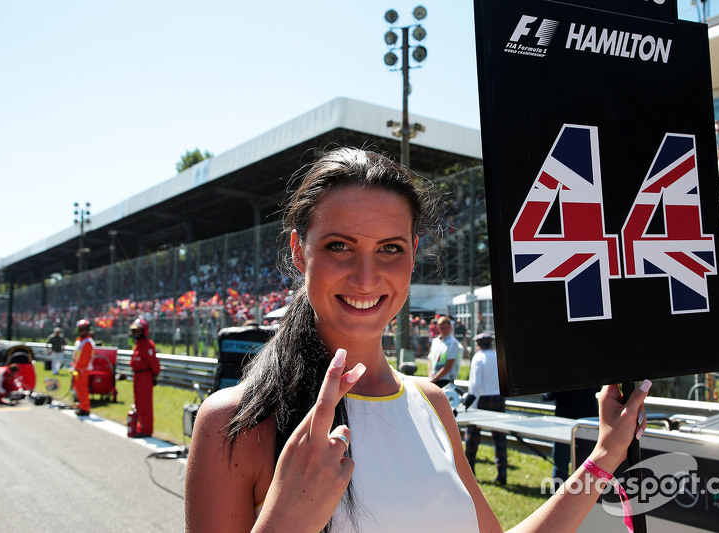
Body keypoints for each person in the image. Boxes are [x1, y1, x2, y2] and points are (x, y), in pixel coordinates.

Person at [184, 147, 650, 533]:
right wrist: (284, 521)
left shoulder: (431, 403)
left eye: (390, 248)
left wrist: (606, 453)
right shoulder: (236, 422)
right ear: (298, 252)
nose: (366, 277)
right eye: (338, 246)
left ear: (412, 256)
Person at [464, 332, 508, 486]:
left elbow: (475, 384)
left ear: (478, 344)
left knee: (472, 437)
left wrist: (472, 404)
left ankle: (469, 472)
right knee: (500, 437)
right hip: (498, 397)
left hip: (482, 399)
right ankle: (502, 473)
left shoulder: (478, 358)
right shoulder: (498, 356)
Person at [543, 387, 599, 482]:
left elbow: (550, 395)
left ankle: (560, 493)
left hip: (565, 421)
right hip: (588, 422)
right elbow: (598, 387)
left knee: (561, 463)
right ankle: (585, 493)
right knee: (587, 464)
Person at [128, 318, 161, 437]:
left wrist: (155, 375)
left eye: (138, 331)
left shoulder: (147, 344)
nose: (136, 334)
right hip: (137, 376)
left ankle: (146, 429)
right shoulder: (137, 345)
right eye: (135, 331)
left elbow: (154, 362)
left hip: (145, 376)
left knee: (145, 404)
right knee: (138, 403)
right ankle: (140, 426)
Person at [428, 315, 463, 387]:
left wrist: (435, 379)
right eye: (442, 328)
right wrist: (431, 377)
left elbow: (449, 364)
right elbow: (430, 360)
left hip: (446, 380)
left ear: (450, 327)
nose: (444, 330)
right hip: (434, 379)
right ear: (438, 328)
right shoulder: (435, 341)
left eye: (447, 328)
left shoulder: (453, 343)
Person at [71, 319, 95, 416]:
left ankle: (85, 408)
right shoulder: (80, 341)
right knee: (78, 389)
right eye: (80, 329)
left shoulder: (87, 342)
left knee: (82, 389)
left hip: (82, 370)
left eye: (83, 329)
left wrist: (76, 367)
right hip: (78, 369)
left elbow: (84, 359)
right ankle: (81, 405)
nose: (81, 331)